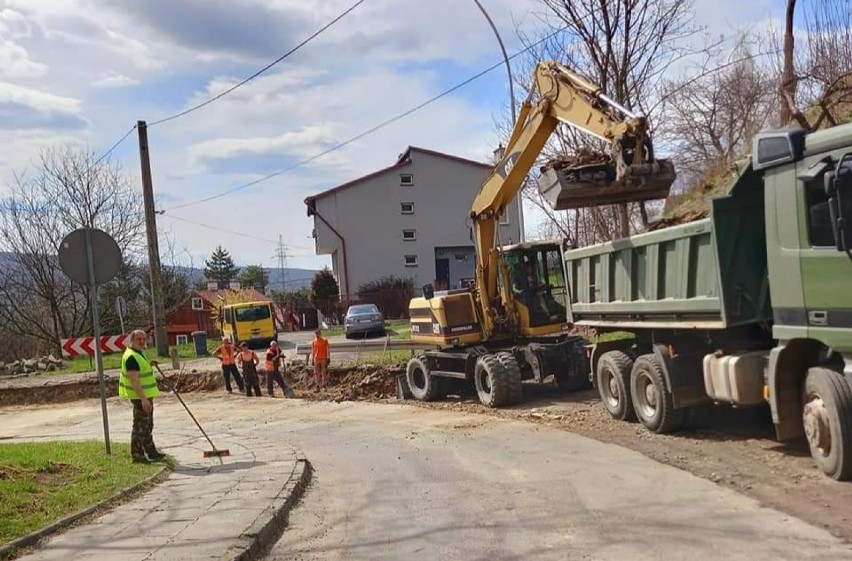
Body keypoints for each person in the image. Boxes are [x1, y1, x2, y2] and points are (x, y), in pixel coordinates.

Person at [118, 329, 166, 464]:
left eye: (143, 339)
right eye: (139, 339)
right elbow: (134, 380)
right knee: (140, 426)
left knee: (148, 425)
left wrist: (149, 364)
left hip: (146, 396)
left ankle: (151, 451)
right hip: (140, 397)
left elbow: (140, 371)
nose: (142, 341)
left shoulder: (138, 353)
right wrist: (143, 399)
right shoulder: (131, 356)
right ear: (132, 340)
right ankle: (137, 454)